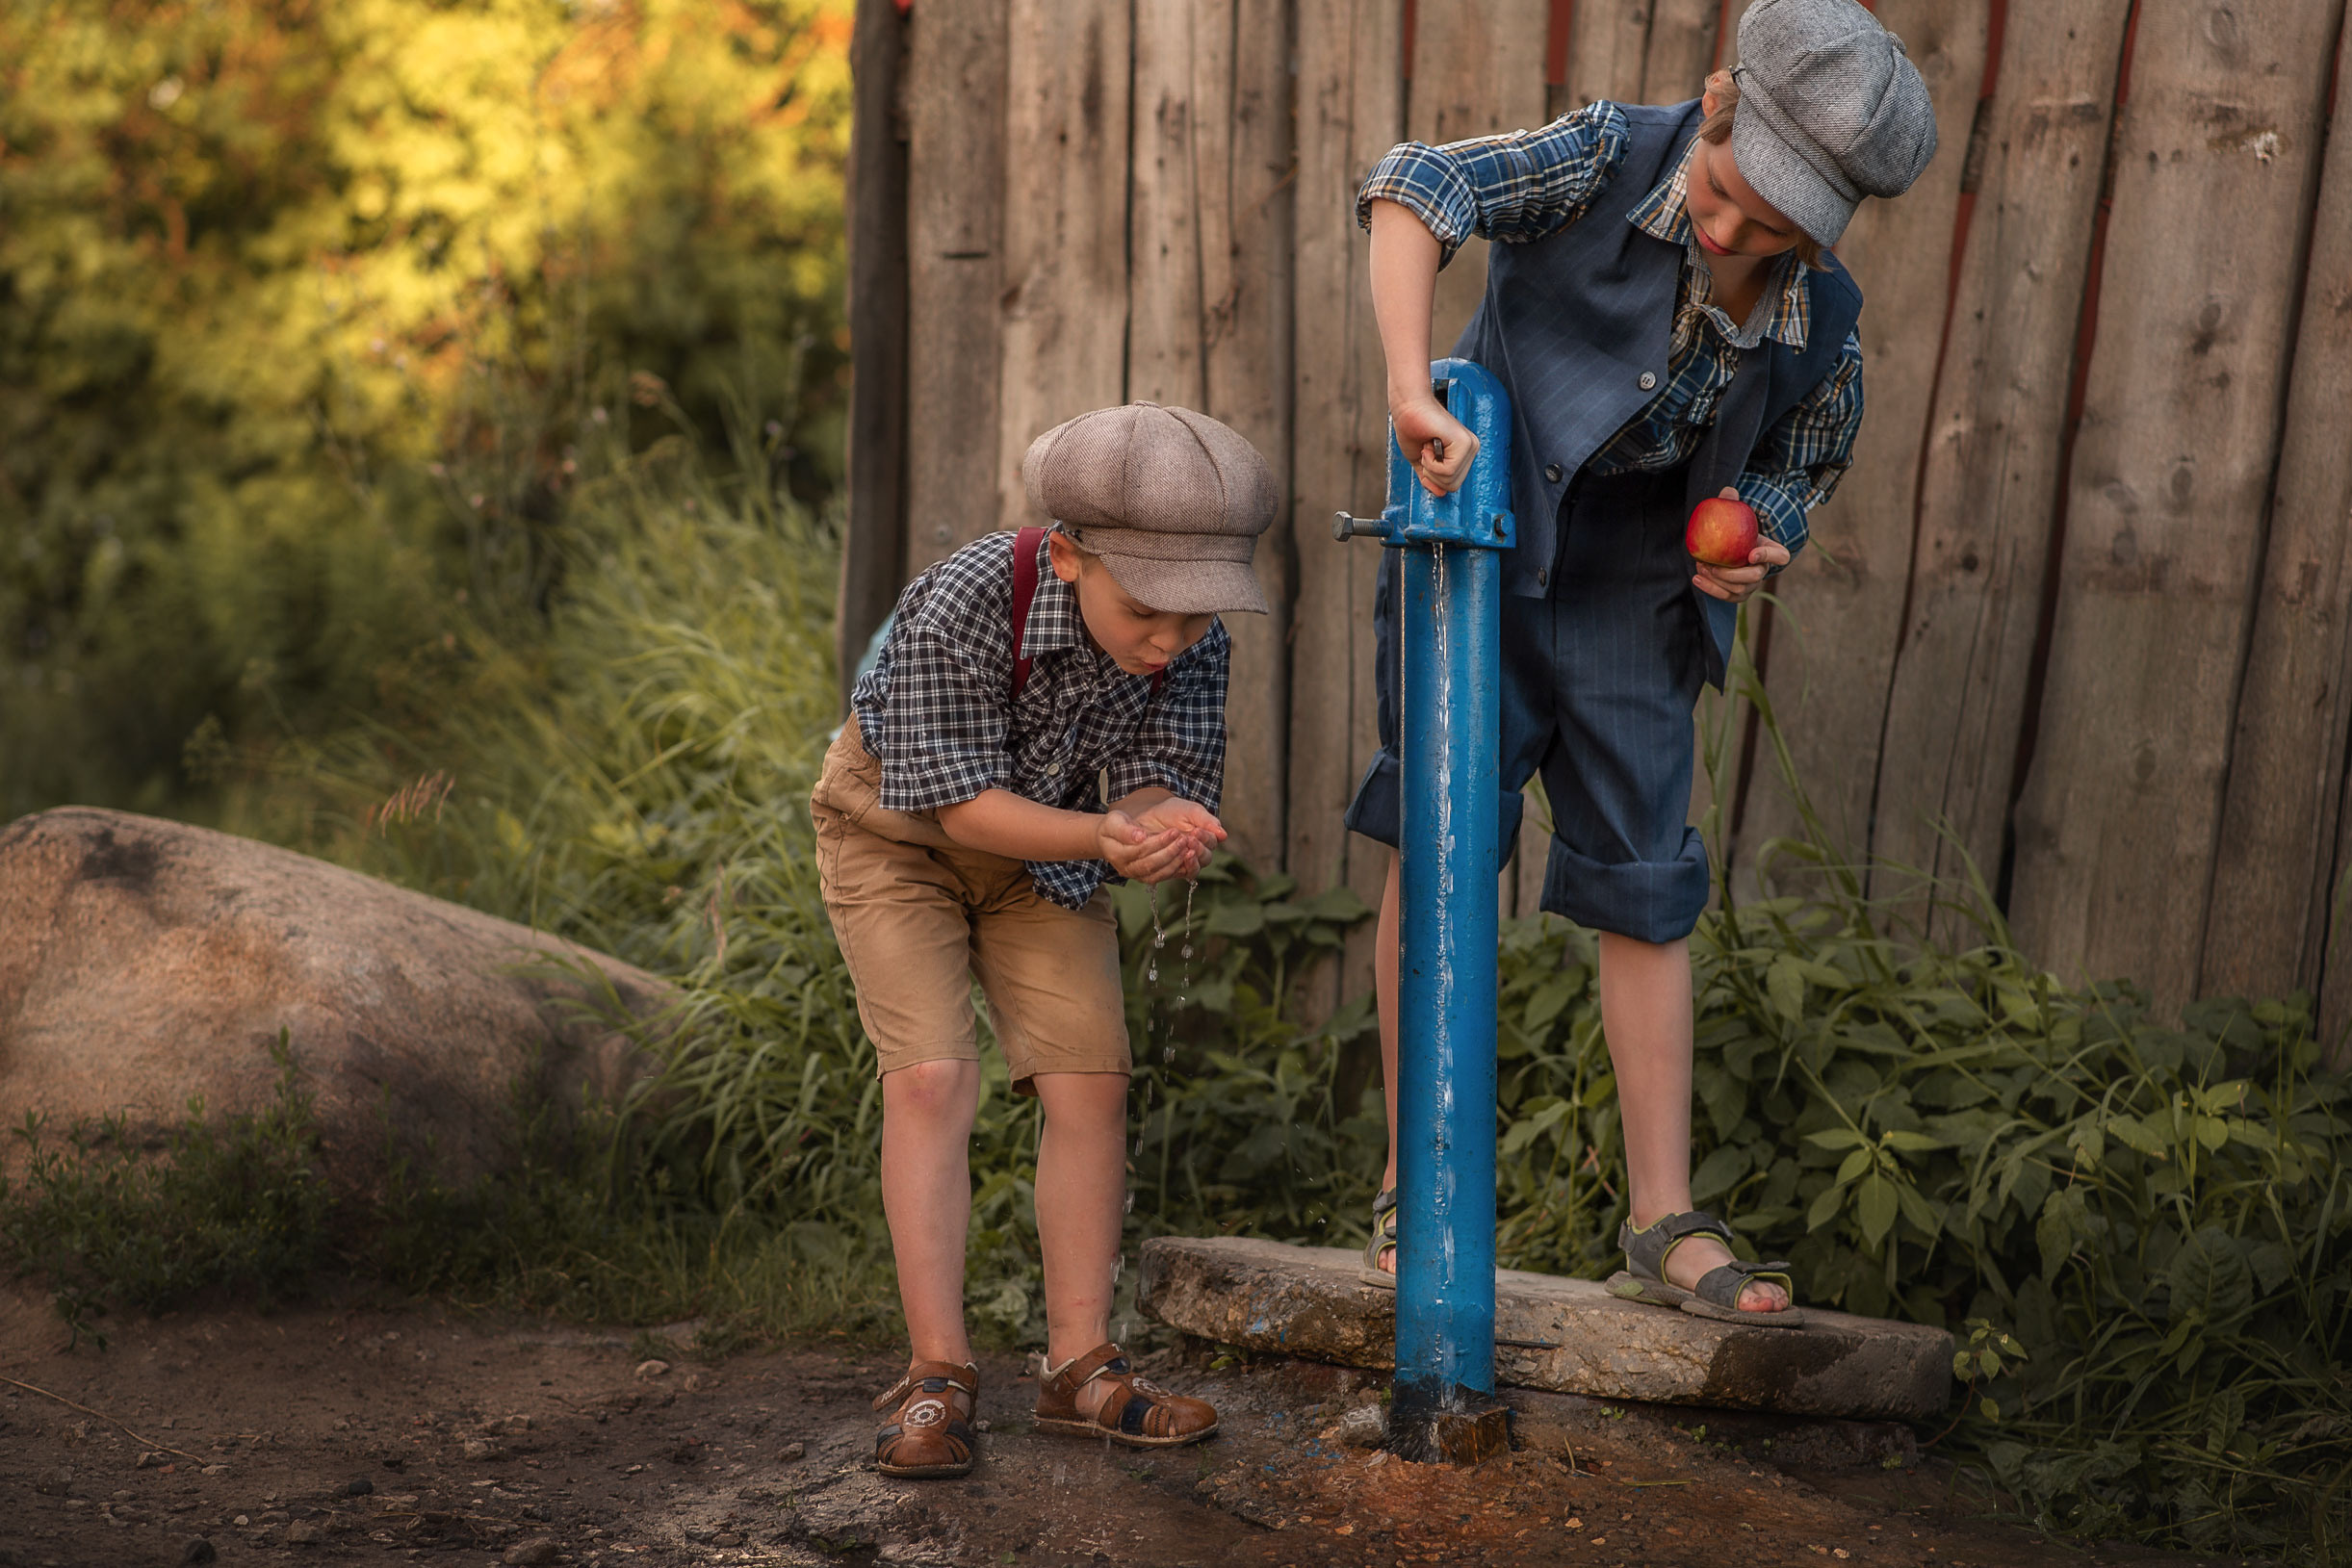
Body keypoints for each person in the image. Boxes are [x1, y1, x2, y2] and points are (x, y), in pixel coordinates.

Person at [1348, 0, 1936, 1323]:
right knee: (1444, 843)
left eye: (1774, 228)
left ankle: (1660, 1216)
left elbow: (1801, 459)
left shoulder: (1816, 318)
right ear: (1718, 102)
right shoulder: (1601, 153)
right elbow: (1414, 186)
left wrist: (1757, 542)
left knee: (1644, 880)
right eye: (1728, 195)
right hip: (1482, 543)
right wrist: (1408, 386)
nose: (1731, 233)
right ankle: (1413, 1182)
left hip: (1635, 592)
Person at [814, 400, 1276, 1477]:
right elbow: (960, 807)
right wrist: (1108, 836)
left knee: (1089, 1084)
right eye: (1149, 612)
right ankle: (938, 1375)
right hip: (899, 833)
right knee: (930, 1076)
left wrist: (1159, 822)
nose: (1171, 640)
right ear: (1069, 556)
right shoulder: (965, 600)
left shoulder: (1186, 641)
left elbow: (1153, 771)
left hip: (1054, 852)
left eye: (1198, 618)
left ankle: (1080, 1368)